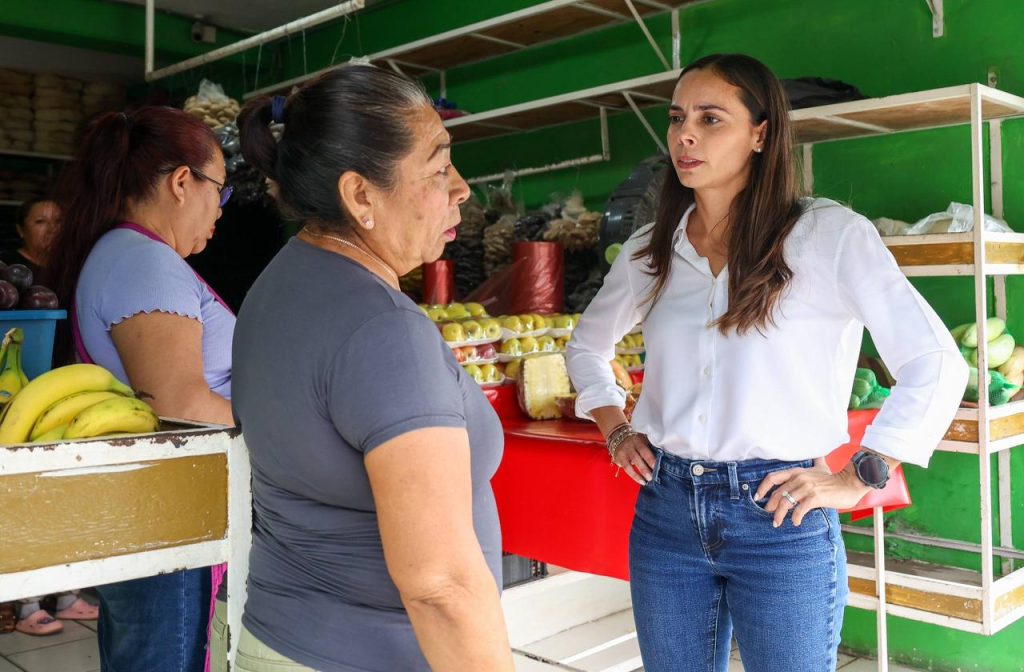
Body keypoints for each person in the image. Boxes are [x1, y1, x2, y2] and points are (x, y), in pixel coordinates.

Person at [565, 53, 968, 672]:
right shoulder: (651, 249)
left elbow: (937, 362)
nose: (685, 136)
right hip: (668, 512)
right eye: (676, 119)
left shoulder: (827, 236)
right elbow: (586, 345)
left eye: (710, 118)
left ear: (760, 133)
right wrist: (613, 428)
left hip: (781, 516)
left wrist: (859, 477)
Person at [232, 63, 512, 672]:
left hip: (278, 641)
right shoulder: (383, 331)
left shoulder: (278, 285)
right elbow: (440, 585)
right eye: (438, 170)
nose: (462, 188)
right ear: (361, 195)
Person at [49, 106, 235, 671]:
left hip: (152, 514)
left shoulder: (128, 254)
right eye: (220, 193)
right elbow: (180, 406)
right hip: (167, 516)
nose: (219, 213)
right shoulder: (144, 264)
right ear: (184, 182)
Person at [3, 197, 59, 278]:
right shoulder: (6, 267)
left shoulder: (72, 266)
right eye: (40, 221)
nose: (53, 229)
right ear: (21, 230)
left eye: (58, 221)